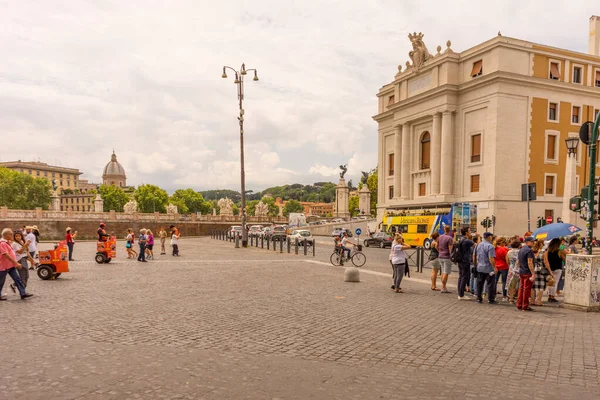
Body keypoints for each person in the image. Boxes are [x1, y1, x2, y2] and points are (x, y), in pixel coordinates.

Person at [0, 228, 33, 300]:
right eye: (11, 234)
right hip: (4, 266)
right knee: (1, 281)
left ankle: (23, 293)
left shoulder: (7, 242)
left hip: (11, 265)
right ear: (6, 235)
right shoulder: (2, 243)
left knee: (17, 279)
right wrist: (16, 263)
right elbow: (6, 255)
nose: (12, 235)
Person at [474, 232, 497, 304]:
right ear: (489, 237)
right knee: (490, 284)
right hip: (489, 268)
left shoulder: (478, 245)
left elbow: (474, 255)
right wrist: (494, 267)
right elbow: (491, 258)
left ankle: (479, 298)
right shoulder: (490, 246)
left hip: (480, 267)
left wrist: (475, 264)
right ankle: (490, 299)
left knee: (479, 283)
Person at [516, 237, 536, 311]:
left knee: (521, 289)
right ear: (527, 242)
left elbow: (518, 262)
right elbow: (530, 262)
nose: (533, 243)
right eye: (532, 242)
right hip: (527, 272)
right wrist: (533, 273)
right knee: (526, 290)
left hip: (522, 271)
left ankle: (519, 304)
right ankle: (525, 305)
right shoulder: (529, 251)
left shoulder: (521, 249)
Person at [544, 238, 565, 303]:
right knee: (555, 283)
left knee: (551, 282)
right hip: (557, 268)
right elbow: (564, 259)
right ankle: (552, 297)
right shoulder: (559, 251)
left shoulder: (548, 250)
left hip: (550, 268)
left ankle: (549, 296)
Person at [532, 239, 551, 306]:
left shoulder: (532, 251)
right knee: (541, 285)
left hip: (533, 269)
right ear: (542, 244)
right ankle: (538, 300)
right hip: (541, 270)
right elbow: (546, 262)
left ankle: (532, 300)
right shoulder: (543, 252)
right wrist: (550, 271)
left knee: (533, 285)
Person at [457, 227, 474, 300]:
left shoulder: (461, 239)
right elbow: (477, 245)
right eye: (469, 231)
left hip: (460, 260)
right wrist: (479, 237)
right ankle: (461, 295)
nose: (470, 232)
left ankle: (460, 293)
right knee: (464, 277)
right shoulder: (467, 241)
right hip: (465, 261)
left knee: (461, 276)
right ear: (466, 232)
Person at [437, 225, 454, 293]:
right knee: (446, 272)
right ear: (449, 230)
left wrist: (440, 251)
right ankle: (443, 288)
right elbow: (450, 249)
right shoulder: (450, 238)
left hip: (440, 256)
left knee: (443, 272)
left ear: (444, 230)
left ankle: (443, 286)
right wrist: (452, 256)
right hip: (447, 257)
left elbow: (436, 246)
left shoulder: (440, 237)